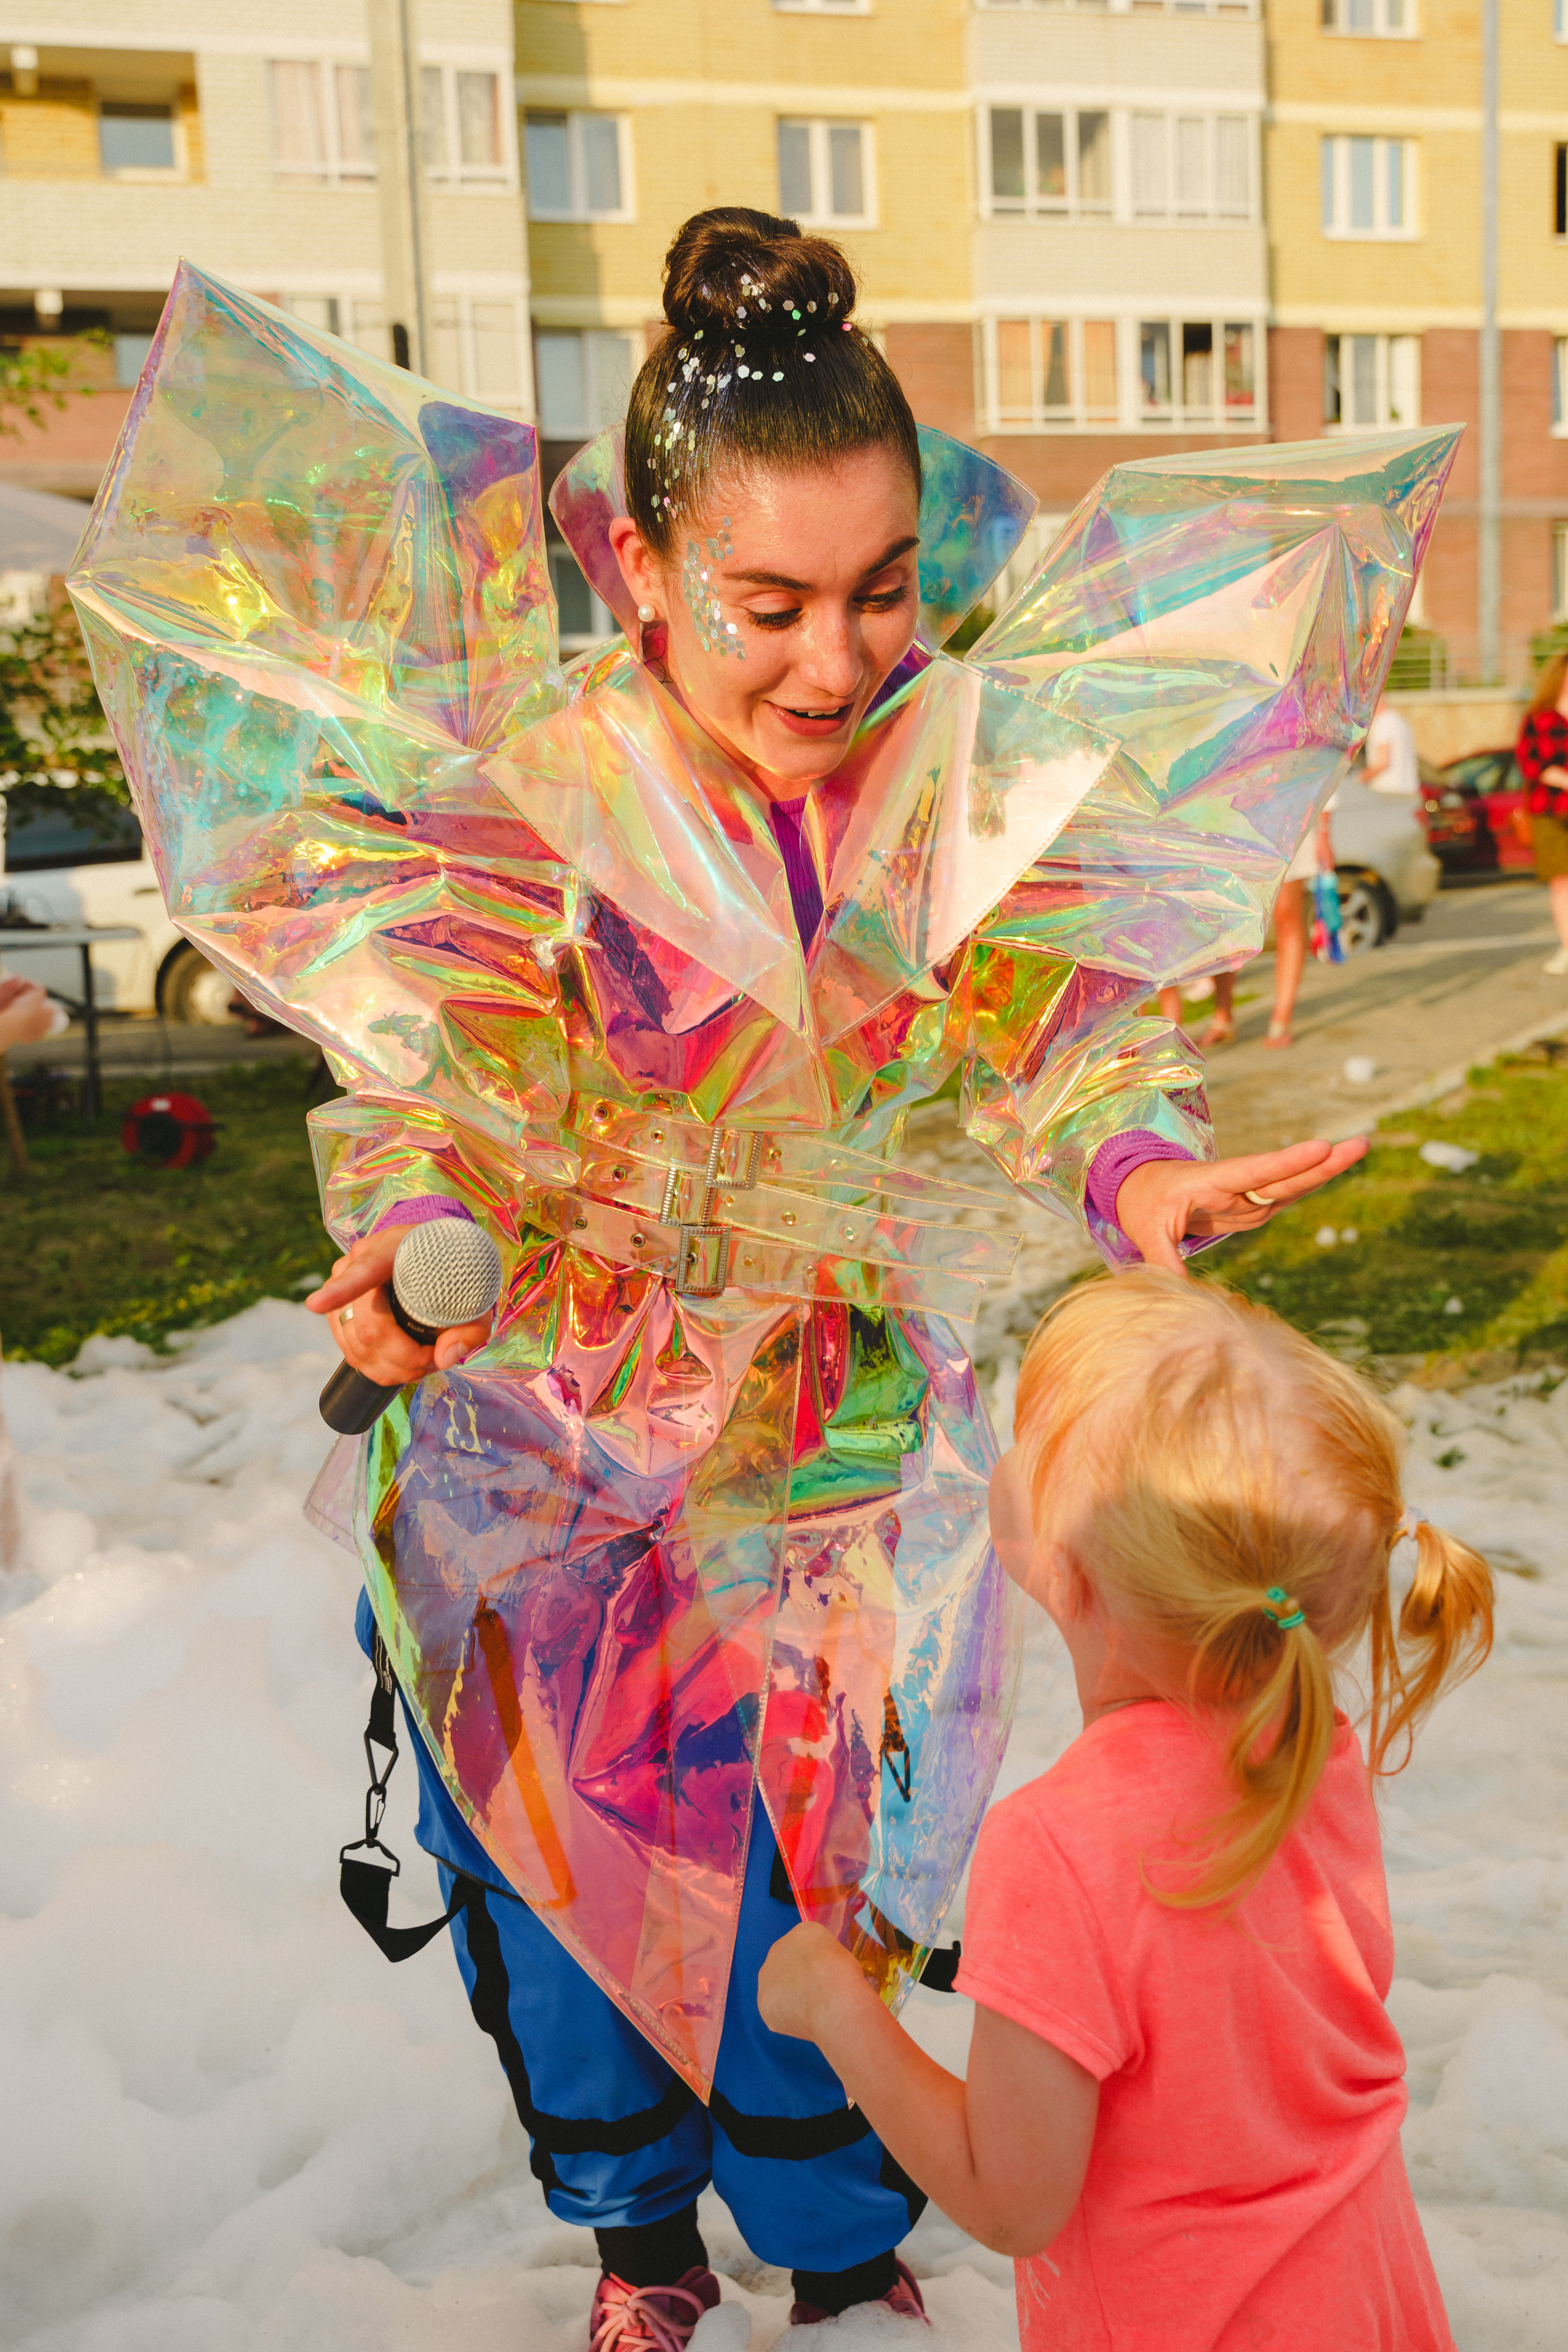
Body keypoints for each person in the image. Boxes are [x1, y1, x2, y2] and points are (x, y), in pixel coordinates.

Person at [71, 212, 1427, 2350]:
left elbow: (1055, 1040)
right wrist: (430, 1265)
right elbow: (445, 1093)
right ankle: (634, 2247)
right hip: (553, 1476)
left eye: (885, 591)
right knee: (572, 1902)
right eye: (768, 602)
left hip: (834, 1467)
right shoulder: (525, 814)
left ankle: (839, 2248)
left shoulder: (948, 786)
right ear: (638, 572)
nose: (833, 658)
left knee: (823, 1904)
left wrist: (1143, 1177)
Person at [759, 1268, 1493, 2351]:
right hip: (1368, 2296)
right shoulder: (1305, 1746)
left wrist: (831, 2006)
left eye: (1028, 1443)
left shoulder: (1057, 1844)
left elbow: (1012, 2199)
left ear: (1066, 1567)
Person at [1515, 651, 1568, 977]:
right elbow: (1534, 766)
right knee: (1562, 882)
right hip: (1551, 811)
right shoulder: (1540, 719)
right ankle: (1567, 946)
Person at [1363, 693, 1419, 794]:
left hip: (1387, 792)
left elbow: (1383, 763)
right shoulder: (1400, 721)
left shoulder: (1383, 723)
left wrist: (1359, 779)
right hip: (1407, 790)